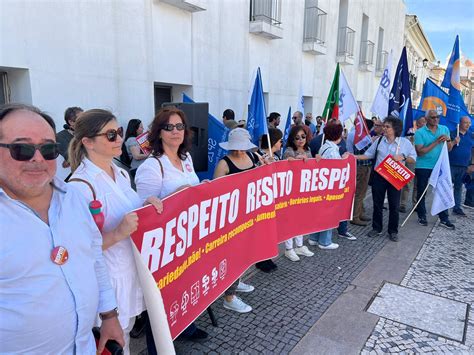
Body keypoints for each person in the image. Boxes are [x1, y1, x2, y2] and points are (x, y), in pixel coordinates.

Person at [0, 103, 123, 353]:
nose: (37, 158)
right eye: (21, 149)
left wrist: (109, 316)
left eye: (48, 149)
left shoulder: (74, 197)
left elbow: (95, 257)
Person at [68, 109, 163, 355]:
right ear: (88, 142)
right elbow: (77, 249)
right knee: (114, 346)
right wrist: (118, 233)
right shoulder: (80, 187)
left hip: (131, 271)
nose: (119, 139)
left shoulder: (120, 172)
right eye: (111, 135)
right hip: (108, 282)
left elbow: (130, 210)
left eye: (119, 132)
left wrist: (146, 204)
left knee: (126, 339)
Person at [134, 107, 209, 348]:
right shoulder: (152, 166)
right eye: (169, 127)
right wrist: (178, 196)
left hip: (189, 236)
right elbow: (143, 214)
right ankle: (159, 347)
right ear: (159, 132)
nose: (175, 131)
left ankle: (186, 326)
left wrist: (203, 188)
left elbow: (192, 189)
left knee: (187, 284)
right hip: (165, 245)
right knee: (162, 299)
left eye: (179, 127)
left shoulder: (186, 159)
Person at [213, 128, 258, 312]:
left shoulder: (253, 157)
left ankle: (236, 281)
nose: (239, 152)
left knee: (245, 252)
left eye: (242, 148)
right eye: (235, 148)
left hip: (249, 213)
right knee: (232, 255)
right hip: (230, 218)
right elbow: (214, 193)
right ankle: (229, 297)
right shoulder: (223, 164)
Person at [355, 116, 417, 242]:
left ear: (395, 129)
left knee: (394, 205)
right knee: (377, 203)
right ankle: (376, 228)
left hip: (395, 176)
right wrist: (353, 157)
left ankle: (393, 231)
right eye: (384, 126)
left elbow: (413, 158)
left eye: (387, 126)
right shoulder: (379, 141)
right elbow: (368, 155)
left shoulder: (404, 143)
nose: (384, 128)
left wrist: (403, 157)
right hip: (380, 176)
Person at [308, 123, 352, 249]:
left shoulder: (324, 146)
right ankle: (325, 242)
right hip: (330, 188)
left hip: (322, 187)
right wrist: (344, 160)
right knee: (329, 213)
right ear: (338, 135)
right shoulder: (333, 151)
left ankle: (314, 238)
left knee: (320, 213)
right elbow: (336, 170)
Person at [414, 109, 457, 229]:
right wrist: (437, 141)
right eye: (433, 117)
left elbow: (449, 149)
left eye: (438, 117)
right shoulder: (420, 132)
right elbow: (421, 152)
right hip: (424, 165)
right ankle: (422, 215)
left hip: (440, 166)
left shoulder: (444, 129)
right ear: (427, 119)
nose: (436, 119)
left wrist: (448, 140)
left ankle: (444, 218)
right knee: (422, 191)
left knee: (443, 189)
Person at [282, 126, 315, 260]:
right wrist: (297, 160)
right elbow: (286, 162)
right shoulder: (289, 151)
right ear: (292, 139)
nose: (301, 140)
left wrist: (316, 158)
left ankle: (299, 245)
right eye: (297, 137)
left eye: (303, 136)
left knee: (301, 218)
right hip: (291, 191)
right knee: (290, 220)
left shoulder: (309, 150)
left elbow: (313, 166)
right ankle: (289, 248)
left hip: (304, 190)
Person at [254, 128, 283, 272]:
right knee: (264, 231)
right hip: (263, 199)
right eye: (279, 141)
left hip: (273, 197)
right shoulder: (259, 156)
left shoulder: (276, 155)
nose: (281, 144)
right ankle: (262, 259)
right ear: (273, 142)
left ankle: (267, 256)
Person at [347, 118, 374, 226]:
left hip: (357, 165)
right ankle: (355, 216)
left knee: (361, 191)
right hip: (363, 166)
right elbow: (369, 152)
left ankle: (360, 212)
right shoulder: (361, 137)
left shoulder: (352, 134)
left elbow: (349, 149)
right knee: (360, 192)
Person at [399, 116, 426, 213]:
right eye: (422, 122)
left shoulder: (426, 135)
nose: (424, 124)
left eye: (425, 122)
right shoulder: (410, 134)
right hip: (411, 161)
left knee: (417, 185)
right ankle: (403, 204)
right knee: (407, 183)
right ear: (417, 124)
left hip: (421, 162)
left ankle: (415, 204)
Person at [448, 116, 472, 216]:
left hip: (464, 165)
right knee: (447, 186)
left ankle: (457, 207)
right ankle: (443, 209)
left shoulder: (471, 135)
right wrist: (454, 142)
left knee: (458, 187)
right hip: (451, 164)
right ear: (460, 123)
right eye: (465, 123)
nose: (467, 125)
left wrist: (472, 164)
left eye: (469, 123)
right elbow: (447, 149)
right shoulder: (452, 133)